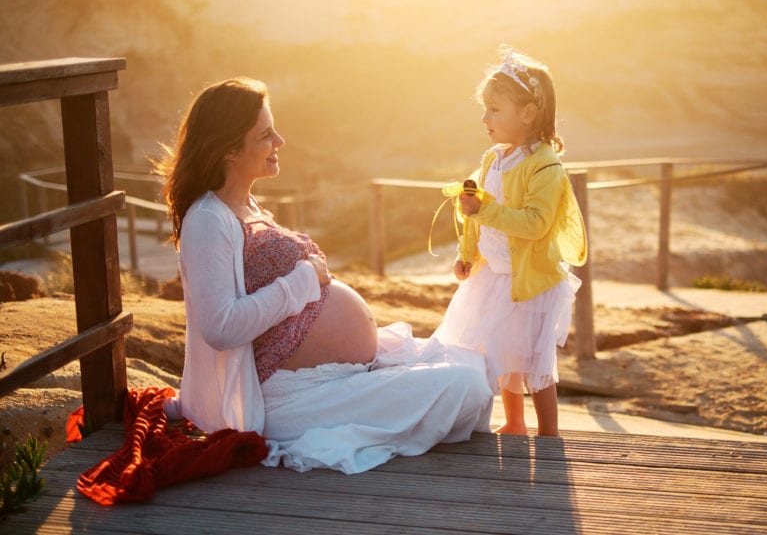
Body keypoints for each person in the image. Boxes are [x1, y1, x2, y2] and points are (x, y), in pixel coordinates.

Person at [157, 77, 493, 474]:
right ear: (230, 148)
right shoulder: (208, 219)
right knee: (464, 386)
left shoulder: (245, 204)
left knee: (471, 364)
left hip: (325, 377)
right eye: (266, 135)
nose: (280, 141)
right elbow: (220, 327)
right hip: (288, 396)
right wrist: (302, 281)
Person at [433, 48, 587, 437]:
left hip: (529, 281)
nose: (484, 119)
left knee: (535, 360)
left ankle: (549, 432)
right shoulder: (494, 159)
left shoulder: (545, 166)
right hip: (493, 276)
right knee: (503, 352)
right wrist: (466, 253)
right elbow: (476, 214)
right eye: (484, 109)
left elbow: (535, 224)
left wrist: (482, 213)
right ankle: (515, 421)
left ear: (528, 113)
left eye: (494, 109)